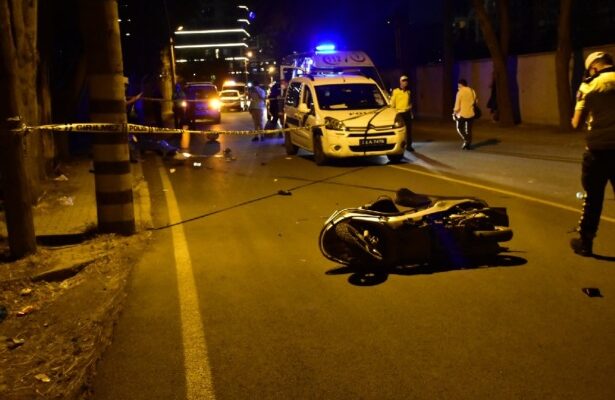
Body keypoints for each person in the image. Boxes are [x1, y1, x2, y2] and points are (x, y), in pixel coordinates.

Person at [570, 51, 615, 256]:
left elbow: (576, 122)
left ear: (594, 67)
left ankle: (585, 242)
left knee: (593, 198)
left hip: (598, 151)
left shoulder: (590, 84)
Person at [390, 75, 414, 151]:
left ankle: (409, 145)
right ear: (400, 82)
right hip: (399, 113)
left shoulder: (408, 92)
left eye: (406, 81)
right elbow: (392, 103)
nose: (405, 82)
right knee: (400, 130)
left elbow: (410, 102)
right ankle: (400, 144)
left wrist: (410, 109)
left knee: (409, 130)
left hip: (407, 112)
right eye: (403, 81)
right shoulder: (396, 91)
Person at [453, 79, 477, 150]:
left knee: (459, 128)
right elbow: (476, 101)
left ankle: (467, 140)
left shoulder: (460, 92)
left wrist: (455, 112)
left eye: (458, 85)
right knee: (469, 130)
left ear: (461, 85)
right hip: (471, 113)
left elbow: (457, 105)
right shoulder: (472, 91)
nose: (458, 87)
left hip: (462, 114)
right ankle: (467, 144)